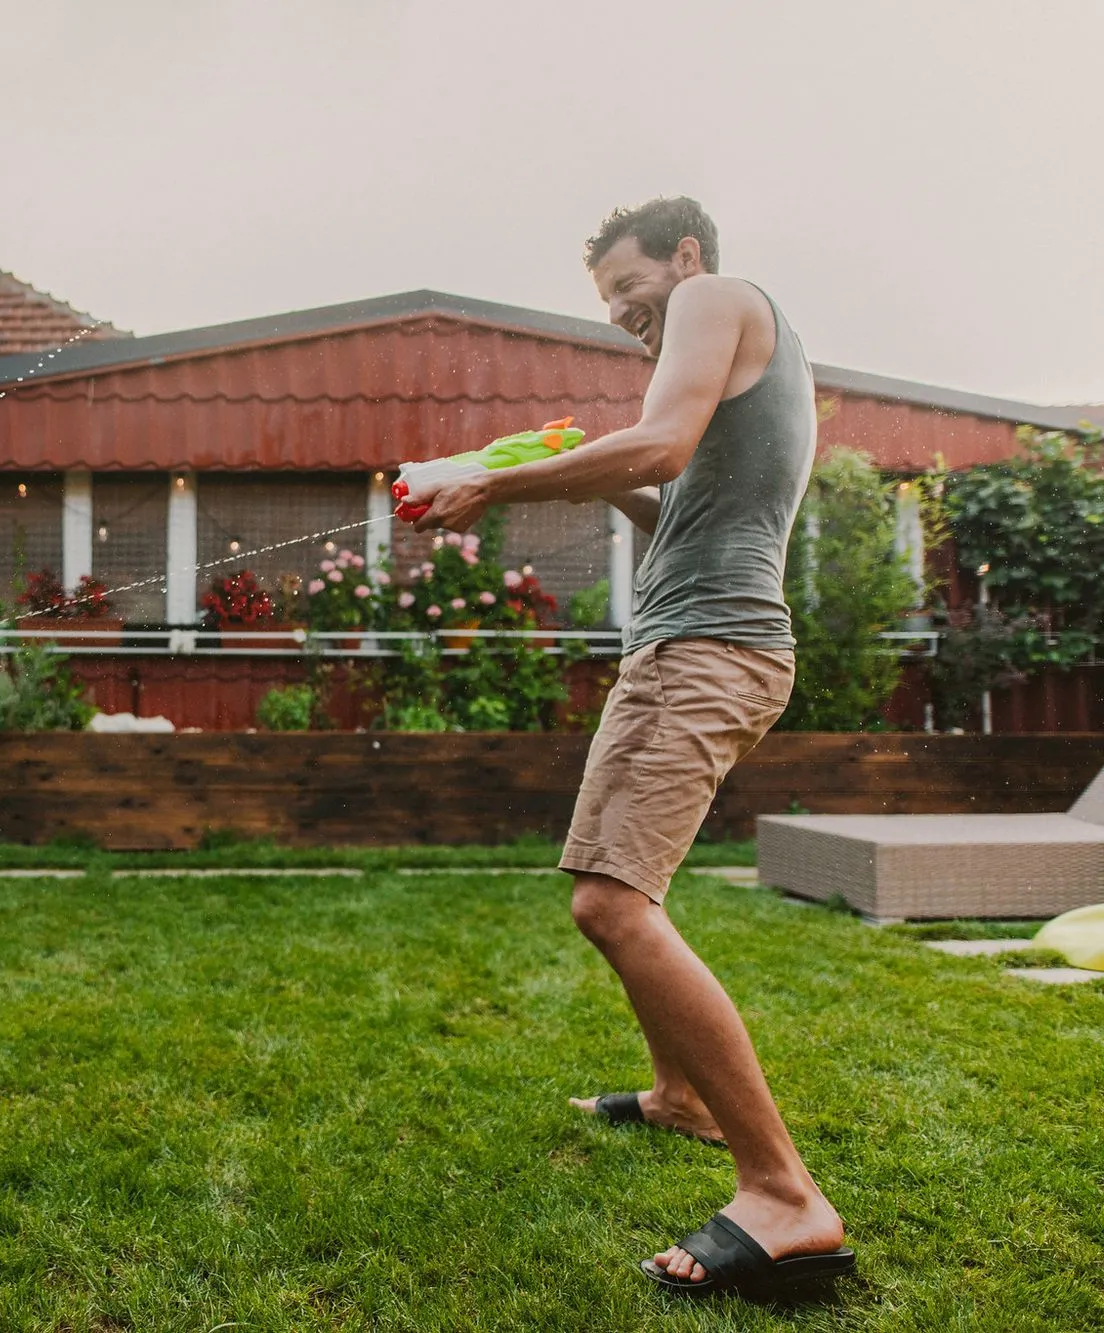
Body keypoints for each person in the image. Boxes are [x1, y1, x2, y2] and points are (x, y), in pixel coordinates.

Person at [402, 197, 854, 1297]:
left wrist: (493, 482)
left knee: (610, 901)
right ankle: (676, 1095)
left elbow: (660, 441)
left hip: (704, 649)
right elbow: (671, 497)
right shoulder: (734, 342)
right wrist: (578, 469)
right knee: (619, 889)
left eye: (626, 289)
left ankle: (785, 1197)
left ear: (684, 257)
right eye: (605, 301)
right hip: (694, 642)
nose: (617, 315)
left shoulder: (715, 298)